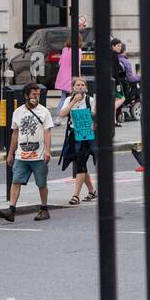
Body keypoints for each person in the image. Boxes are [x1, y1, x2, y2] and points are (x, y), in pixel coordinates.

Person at [0, 82, 53, 222]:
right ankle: (11, 210)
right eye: (34, 94)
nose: (36, 97)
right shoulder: (18, 112)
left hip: (38, 155)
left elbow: (47, 133)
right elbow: (15, 134)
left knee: (41, 183)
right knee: (16, 181)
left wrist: (47, 150)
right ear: (26, 95)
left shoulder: (44, 112)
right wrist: (10, 153)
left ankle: (44, 209)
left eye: (38, 95)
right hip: (21, 155)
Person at [58, 76, 97, 206]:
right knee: (81, 163)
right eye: (77, 85)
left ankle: (76, 195)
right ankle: (92, 190)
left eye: (82, 85)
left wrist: (93, 125)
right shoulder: (69, 100)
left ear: (85, 87)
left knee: (80, 163)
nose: (80, 87)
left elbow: (97, 117)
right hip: (74, 135)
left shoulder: (90, 100)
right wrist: (73, 101)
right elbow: (62, 114)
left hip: (87, 135)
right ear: (73, 87)